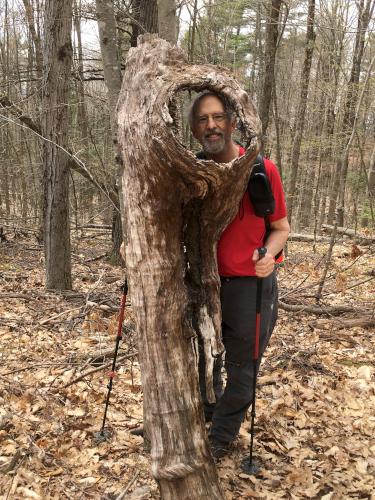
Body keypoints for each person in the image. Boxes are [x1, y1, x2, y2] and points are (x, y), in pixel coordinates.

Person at [189, 91, 290, 459]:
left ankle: (220, 438)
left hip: (251, 288)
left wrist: (269, 254)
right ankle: (208, 416)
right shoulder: (191, 171)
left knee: (242, 368)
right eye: (203, 119)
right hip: (203, 283)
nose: (211, 125)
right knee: (203, 359)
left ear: (232, 122)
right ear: (195, 128)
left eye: (218, 117)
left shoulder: (261, 169)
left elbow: (281, 228)